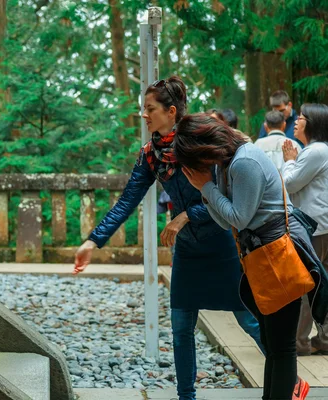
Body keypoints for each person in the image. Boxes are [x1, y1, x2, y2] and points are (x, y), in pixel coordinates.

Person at [73, 76, 263, 400]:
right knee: (179, 329)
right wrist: (93, 241)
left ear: (171, 111)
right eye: (143, 109)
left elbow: (223, 197)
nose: (144, 115)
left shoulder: (200, 144)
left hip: (221, 246)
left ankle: (285, 375)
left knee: (249, 319)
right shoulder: (151, 154)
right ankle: (185, 396)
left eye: (150, 109)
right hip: (187, 253)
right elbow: (126, 201)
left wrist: (187, 215)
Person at [174, 113, 328, 400]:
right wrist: (208, 192)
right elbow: (225, 222)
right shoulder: (224, 164)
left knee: (281, 346)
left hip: (278, 256)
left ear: (203, 149)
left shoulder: (244, 162)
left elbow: (239, 218)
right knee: (272, 341)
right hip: (260, 258)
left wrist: (205, 188)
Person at [282, 103, 328, 356]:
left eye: (300, 118)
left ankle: (299, 343)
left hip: (315, 228)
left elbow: (289, 183)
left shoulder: (315, 151)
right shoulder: (321, 150)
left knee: (306, 284)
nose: (296, 122)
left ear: (312, 123)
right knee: (323, 283)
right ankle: (324, 339)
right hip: (323, 225)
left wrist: (289, 161)